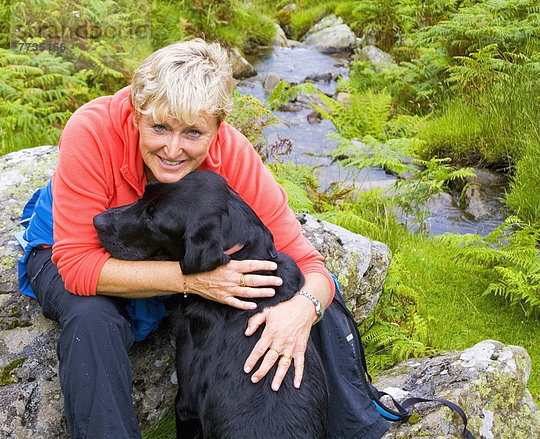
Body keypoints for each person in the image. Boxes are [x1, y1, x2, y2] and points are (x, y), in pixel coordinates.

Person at [18, 38, 390, 439]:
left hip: (163, 255)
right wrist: (190, 282)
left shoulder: (232, 152)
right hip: (70, 251)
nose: (173, 149)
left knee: (295, 291)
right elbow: (76, 267)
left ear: (218, 128)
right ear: (136, 112)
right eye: (160, 127)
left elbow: (311, 265)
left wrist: (302, 310)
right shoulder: (92, 131)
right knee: (91, 320)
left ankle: (348, 426)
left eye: (193, 133)